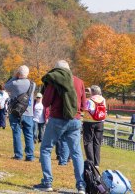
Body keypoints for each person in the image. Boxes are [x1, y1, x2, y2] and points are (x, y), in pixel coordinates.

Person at [33, 60, 88, 193]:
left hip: (57, 119)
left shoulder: (54, 80)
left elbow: (45, 102)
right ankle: (81, 185)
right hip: (75, 120)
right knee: (76, 153)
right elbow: (83, 106)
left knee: (46, 149)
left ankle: (47, 182)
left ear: (57, 71)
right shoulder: (79, 82)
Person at [5, 65, 36, 161]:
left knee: (16, 133)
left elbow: (5, 86)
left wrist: (15, 76)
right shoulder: (33, 84)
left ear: (18, 73)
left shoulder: (14, 83)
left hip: (16, 112)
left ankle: (18, 155)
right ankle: (30, 156)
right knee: (29, 134)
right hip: (28, 112)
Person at [82, 85, 106, 168]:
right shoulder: (103, 99)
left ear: (92, 92)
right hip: (100, 122)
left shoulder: (90, 100)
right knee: (97, 142)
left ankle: (90, 161)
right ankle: (97, 163)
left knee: (88, 142)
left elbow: (86, 109)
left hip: (89, 122)